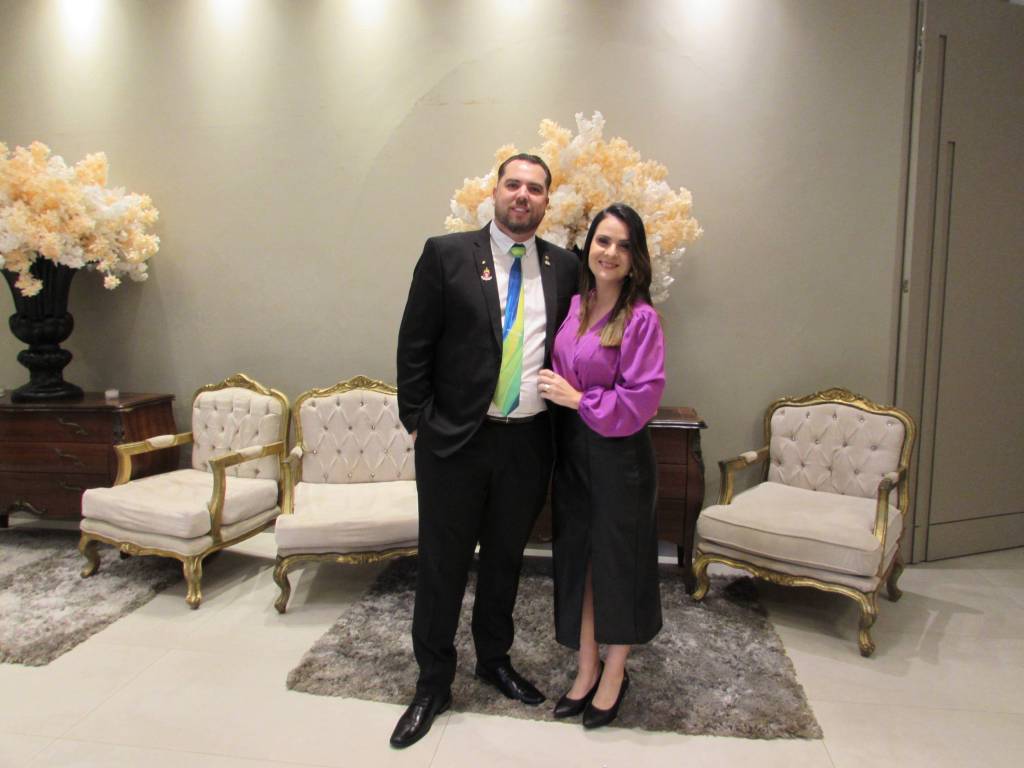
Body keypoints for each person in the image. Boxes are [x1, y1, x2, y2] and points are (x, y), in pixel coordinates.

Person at [392, 153, 579, 748]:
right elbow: (414, 343)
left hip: (528, 442)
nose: (523, 195)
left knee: (504, 561)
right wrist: (417, 421)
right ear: (494, 192)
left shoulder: (564, 266)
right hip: (455, 442)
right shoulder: (446, 254)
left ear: (547, 201)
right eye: (513, 184)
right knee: (442, 564)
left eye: (535, 188)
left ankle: (493, 660)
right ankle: (432, 682)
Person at [537, 202, 666, 729]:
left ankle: (615, 672)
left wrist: (577, 399)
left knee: (619, 564)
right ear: (588, 246)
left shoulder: (641, 319)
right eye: (603, 241)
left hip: (619, 458)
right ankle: (587, 666)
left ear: (636, 259)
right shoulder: (575, 305)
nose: (610, 252)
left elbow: (641, 400)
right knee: (582, 563)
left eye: (623, 246)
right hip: (574, 457)